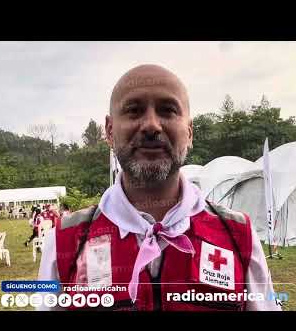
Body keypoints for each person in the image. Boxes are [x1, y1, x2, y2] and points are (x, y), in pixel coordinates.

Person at [37, 65, 281, 311]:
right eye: (134, 111)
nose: (152, 125)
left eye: (168, 110)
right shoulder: (65, 241)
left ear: (189, 131)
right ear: (110, 131)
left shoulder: (238, 235)